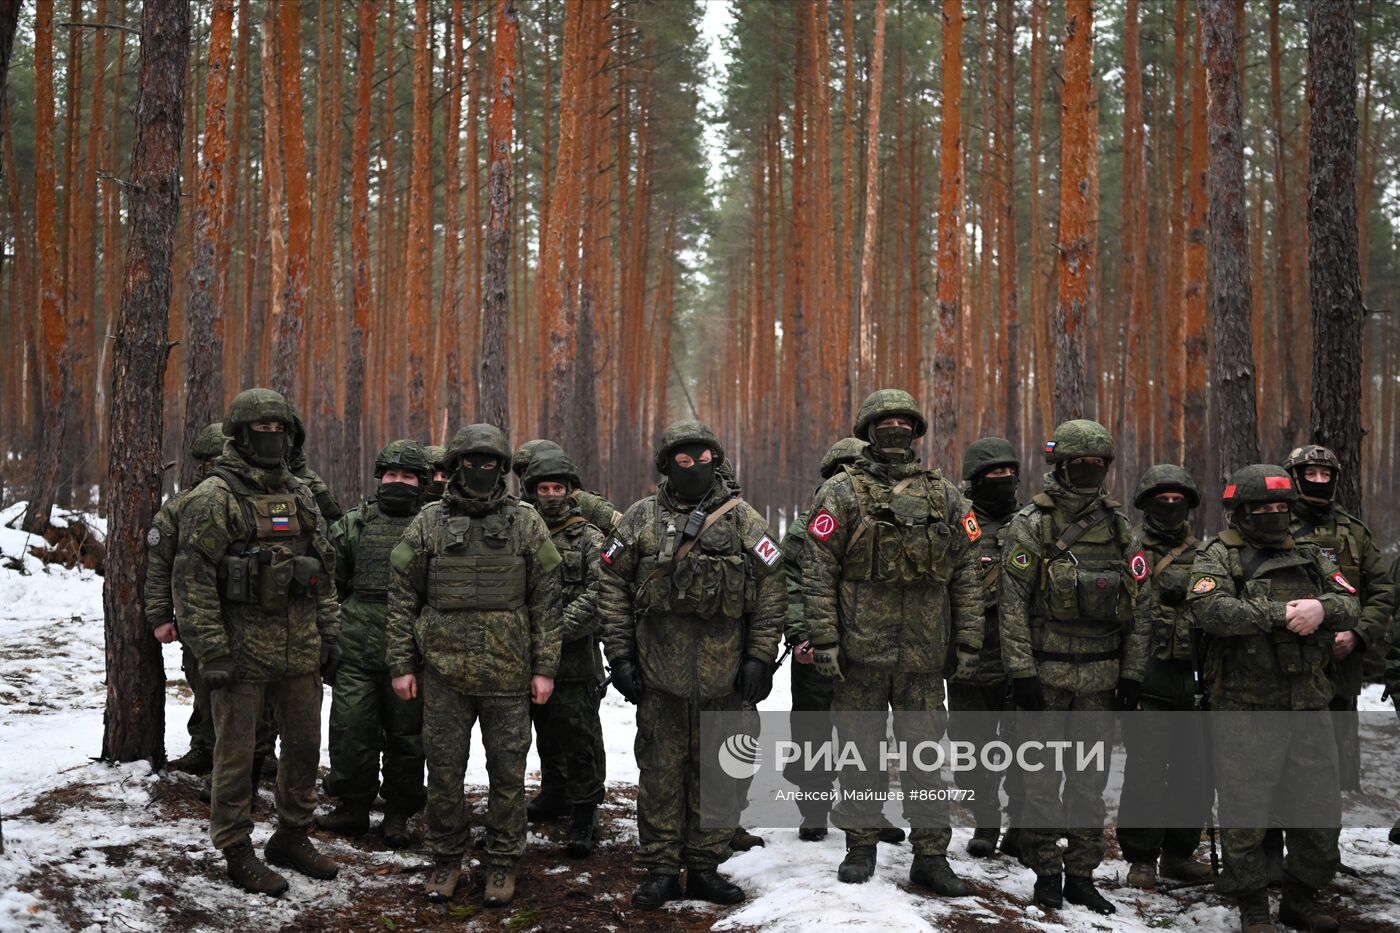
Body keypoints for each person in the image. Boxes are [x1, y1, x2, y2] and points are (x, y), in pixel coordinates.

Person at [798, 389, 981, 895]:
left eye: (904, 422)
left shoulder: (944, 495)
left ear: (916, 430)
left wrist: (968, 641)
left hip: (924, 654)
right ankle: (861, 844)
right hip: (860, 652)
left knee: (925, 755)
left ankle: (931, 854)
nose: (895, 430)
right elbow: (817, 572)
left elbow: (967, 573)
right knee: (861, 752)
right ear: (869, 431)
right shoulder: (840, 493)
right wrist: (825, 640)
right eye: (885, 422)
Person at [597, 420, 783, 910]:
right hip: (660, 678)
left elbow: (772, 591)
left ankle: (703, 865)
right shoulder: (638, 519)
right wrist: (619, 656)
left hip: (726, 679)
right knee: (659, 773)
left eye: (703, 458)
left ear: (716, 461)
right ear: (666, 464)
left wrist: (760, 657)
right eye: (683, 459)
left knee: (721, 774)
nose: (695, 466)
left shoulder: (744, 519)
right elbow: (611, 587)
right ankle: (659, 868)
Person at [172, 388, 342, 896]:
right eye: (261, 431)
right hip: (240, 655)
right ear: (241, 435)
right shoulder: (215, 497)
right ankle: (235, 847)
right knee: (236, 756)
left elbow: (325, 570)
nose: (271, 439)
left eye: (279, 430)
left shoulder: (301, 494)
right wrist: (212, 651)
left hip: (299, 652)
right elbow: (192, 580)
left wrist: (329, 631)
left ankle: (291, 835)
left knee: (304, 749)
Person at [386, 424, 562, 907]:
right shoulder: (428, 522)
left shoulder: (526, 522)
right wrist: (402, 663)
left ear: (501, 469)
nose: (479, 471)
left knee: (508, 773)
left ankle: (503, 861)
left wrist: (544, 667)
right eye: (470, 462)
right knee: (444, 773)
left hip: (508, 674)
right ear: (455, 466)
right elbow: (402, 597)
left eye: (489, 463)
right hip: (443, 673)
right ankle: (446, 858)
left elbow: (547, 601)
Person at [1189, 464, 1359, 933]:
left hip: (1308, 703)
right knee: (1245, 815)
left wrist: (1322, 608)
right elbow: (1208, 609)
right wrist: (1279, 614)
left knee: (1319, 813)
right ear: (1241, 512)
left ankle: (1301, 898)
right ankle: (1253, 906)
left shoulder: (1311, 555)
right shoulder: (1218, 555)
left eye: (1281, 507)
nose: (1273, 515)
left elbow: (1351, 600)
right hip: (1245, 708)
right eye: (1262, 508)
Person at [998, 419, 1148, 915]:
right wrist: (1021, 672)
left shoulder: (1120, 527)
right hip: (1045, 674)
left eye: (1098, 464)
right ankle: (1046, 873)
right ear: (1060, 466)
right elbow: (1013, 603)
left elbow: (1140, 607)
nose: (1089, 472)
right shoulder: (1032, 524)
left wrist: (1132, 674)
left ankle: (1082, 875)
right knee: (1040, 780)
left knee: (1088, 782)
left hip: (1100, 679)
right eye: (1080, 464)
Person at [780, 437, 903, 847]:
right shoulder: (808, 525)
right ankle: (814, 809)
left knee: (866, 732)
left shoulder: (889, 522)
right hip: (817, 645)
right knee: (813, 730)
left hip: (869, 646)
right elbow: (790, 584)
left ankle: (867, 809)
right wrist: (801, 635)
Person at [316, 440, 433, 848]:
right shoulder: (353, 525)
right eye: (392, 475)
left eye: (408, 476)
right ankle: (352, 806)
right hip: (356, 646)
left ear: (422, 483)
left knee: (407, 736)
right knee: (351, 729)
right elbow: (333, 584)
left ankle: (399, 811)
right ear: (379, 477)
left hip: (412, 649)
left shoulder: (431, 526)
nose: (398, 483)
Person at [1115, 464, 1213, 889]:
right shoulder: (1129, 549)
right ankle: (1141, 859)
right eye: (1162, 500)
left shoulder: (1209, 555)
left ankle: (1179, 853)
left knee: (1195, 773)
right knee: (1146, 773)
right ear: (1146, 504)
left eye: (1178, 500)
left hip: (1194, 682)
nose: (1170, 507)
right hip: (1147, 681)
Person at [1284, 445, 1395, 793]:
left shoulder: (1355, 533)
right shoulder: (1275, 526)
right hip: (1288, 665)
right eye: (1310, 474)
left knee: (1334, 771)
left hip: (1341, 666)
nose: (1319, 481)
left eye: (1325, 474)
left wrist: (1359, 635)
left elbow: (1383, 590)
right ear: (1295, 478)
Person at [521, 449, 608, 856]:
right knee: (545, 732)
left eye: (558, 488)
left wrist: (555, 631)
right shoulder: (520, 531)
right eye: (544, 488)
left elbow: (601, 591)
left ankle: (585, 813)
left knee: (581, 738)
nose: (551, 495)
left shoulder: (589, 536)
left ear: (571, 490)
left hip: (574, 660)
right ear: (532, 491)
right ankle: (554, 794)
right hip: (528, 657)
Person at [947, 437, 1023, 859]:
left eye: (1008, 474)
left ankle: (1021, 825)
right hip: (969, 657)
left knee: (1024, 748)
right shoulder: (956, 522)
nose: (1003, 481)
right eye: (993, 475)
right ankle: (985, 820)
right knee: (970, 747)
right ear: (975, 481)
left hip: (1019, 658)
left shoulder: (1032, 523)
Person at [148, 422, 229, 775]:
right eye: (215, 461)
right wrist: (160, 616)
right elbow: (159, 567)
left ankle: (257, 758)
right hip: (199, 621)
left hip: (255, 619)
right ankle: (205, 749)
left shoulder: (255, 504)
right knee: (206, 688)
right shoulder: (180, 509)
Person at [512, 439, 622, 536]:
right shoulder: (522, 508)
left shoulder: (583, 502)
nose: (526, 477)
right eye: (523, 472)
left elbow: (624, 530)